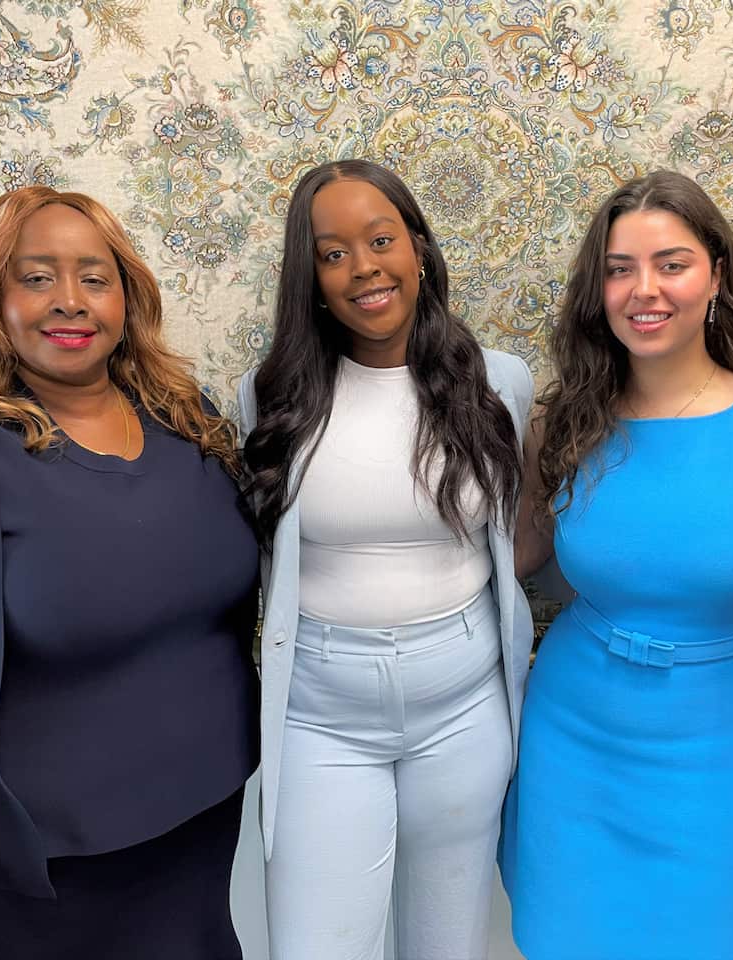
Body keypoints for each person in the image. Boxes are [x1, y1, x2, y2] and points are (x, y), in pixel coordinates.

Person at [0, 187, 260, 959]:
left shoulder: (190, 419)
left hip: (203, 829)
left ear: (127, 296)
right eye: (36, 276)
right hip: (40, 877)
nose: (70, 302)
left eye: (94, 276)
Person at [501, 170, 733, 959]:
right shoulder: (560, 418)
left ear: (716, 275)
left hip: (720, 744)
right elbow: (520, 557)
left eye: (671, 263)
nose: (645, 289)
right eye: (618, 268)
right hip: (574, 734)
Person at [238, 159, 534, 960]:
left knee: (450, 945)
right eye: (333, 254)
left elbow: (526, 541)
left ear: (421, 249)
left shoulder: (500, 383)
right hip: (319, 718)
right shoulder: (266, 399)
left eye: (381, 240)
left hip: (465, 709)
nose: (363, 267)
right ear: (312, 280)